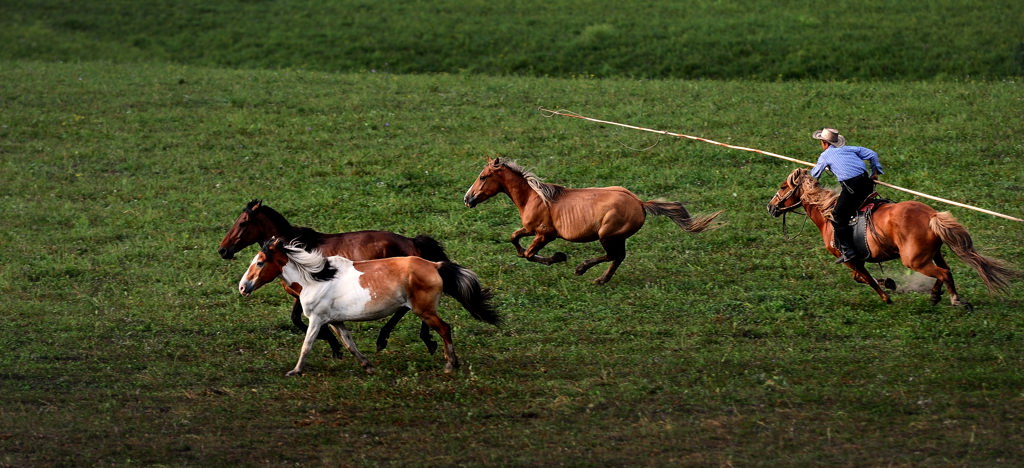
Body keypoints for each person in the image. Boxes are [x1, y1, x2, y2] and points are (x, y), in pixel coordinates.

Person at [809, 128, 884, 264]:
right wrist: (875, 171)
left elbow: (814, 175)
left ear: (824, 143)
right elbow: (872, 154)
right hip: (867, 184)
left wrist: (821, 167)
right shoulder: (850, 149)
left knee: (837, 215)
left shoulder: (825, 156)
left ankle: (848, 251)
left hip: (852, 188)